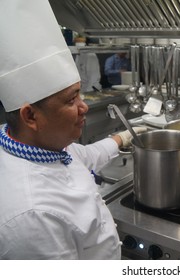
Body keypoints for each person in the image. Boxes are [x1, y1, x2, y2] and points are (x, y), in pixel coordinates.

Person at [0, 0, 144, 259]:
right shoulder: (31, 217)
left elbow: (84, 156)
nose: (84, 107)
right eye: (71, 99)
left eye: (81, 95)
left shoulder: (39, 146)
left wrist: (122, 137)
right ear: (30, 115)